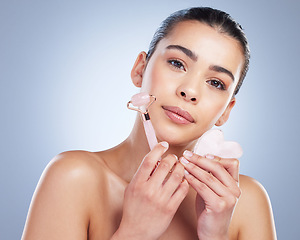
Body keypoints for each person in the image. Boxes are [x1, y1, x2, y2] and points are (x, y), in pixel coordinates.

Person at [22, 7, 277, 240]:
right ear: (140, 69)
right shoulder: (74, 178)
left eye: (215, 82)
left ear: (226, 111)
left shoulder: (245, 203)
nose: (189, 91)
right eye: (177, 63)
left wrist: (217, 236)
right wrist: (135, 232)